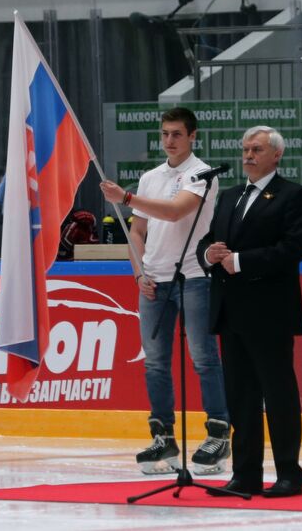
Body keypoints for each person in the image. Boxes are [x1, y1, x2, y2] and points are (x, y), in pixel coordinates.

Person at [100, 107, 230, 476]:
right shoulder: (150, 177)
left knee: (203, 357)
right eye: (165, 134)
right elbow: (137, 231)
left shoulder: (202, 174)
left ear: (192, 136)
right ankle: (163, 435)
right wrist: (138, 271)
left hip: (193, 276)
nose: (169, 140)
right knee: (155, 362)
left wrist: (124, 198)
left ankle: (218, 434)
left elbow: (175, 213)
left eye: (176, 134)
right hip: (153, 279)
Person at [196, 125, 302, 498]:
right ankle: (245, 473)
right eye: (245, 148)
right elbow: (208, 240)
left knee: (278, 394)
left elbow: (293, 248)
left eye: (257, 149)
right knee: (240, 395)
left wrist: (241, 261)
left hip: (270, 312)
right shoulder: (228, 196)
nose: (248, 155)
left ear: (276, 155)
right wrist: (208, 255)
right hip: (231, 311)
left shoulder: (292, 195)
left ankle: (289, 474)